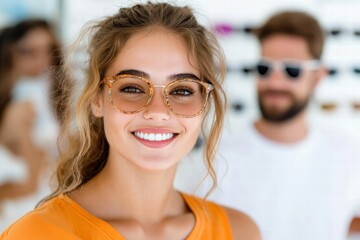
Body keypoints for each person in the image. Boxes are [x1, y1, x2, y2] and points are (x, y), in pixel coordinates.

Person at [1, 2, 261, 239]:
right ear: (97, 100)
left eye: (182, 90)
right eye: (132, 88)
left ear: (205, 102)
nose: (158, 111)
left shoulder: (240, 232)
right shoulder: (36, 234)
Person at [175, 11, 360, 240]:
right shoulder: (212, 159)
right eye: (264, 68)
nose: (274, 81)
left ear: (318, 76)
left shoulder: (349, 156)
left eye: (292, 70)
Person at [0, 19, 63, 231]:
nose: (43, 61)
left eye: (49, 50)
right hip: (27, 212)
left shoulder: (47, 99)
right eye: (29, 52)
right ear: (9, 54)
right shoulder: (20, 109)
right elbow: (30, 183)